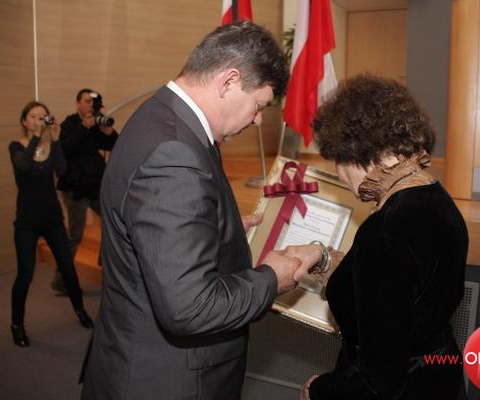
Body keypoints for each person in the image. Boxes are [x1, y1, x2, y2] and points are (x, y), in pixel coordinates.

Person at [80, 22, 321, 400]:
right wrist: (271, 279)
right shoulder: (175, 155)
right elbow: (189, 308)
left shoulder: (161, 115)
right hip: (166, 380)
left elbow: (156, 228)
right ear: (228, 81)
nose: (258, 119)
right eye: (259, 105)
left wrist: (220, 227)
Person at [300, 75, 469, 400]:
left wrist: (319, 390)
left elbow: (379, 381)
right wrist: (327, 261)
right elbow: (403, 293)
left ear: (364, 151)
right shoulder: (437, 198)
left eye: (339, 159)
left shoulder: (386, 229)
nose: (338, 173)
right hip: (439, 379)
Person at [8, 101, 94, 347]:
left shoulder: (48, 146)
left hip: (52, 219)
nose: (39, 119)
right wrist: (37, 136)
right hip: (27, 222)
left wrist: (55, 140)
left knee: (67, 267)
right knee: (25, 275)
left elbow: (62, 169)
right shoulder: (17, 146)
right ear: (24, 121)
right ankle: (17, 324)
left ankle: (80, 310)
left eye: (43, 116)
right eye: (34, 116)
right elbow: (24, 165)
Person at [53, 88, 118, 292]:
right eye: (87, 101)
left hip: (94, 186)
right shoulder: (69, 124)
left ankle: (103, 262)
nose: (91, 105)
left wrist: (108, 132)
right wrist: (84, 127)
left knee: (112, 222)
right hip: (75, 189)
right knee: (75, 235)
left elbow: (112, 145)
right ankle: (61, 279)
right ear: (77, 104)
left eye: (93, 102)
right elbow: (66, 149)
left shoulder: (96, 125)